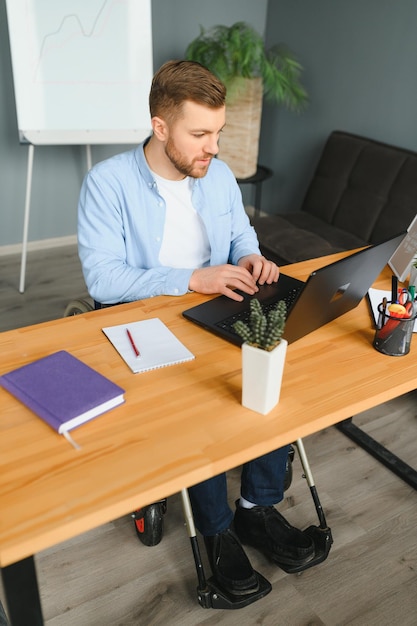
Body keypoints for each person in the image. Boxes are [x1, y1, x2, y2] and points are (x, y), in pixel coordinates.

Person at [78, 60, 314, 597]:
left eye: (218, 133)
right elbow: (104, 278)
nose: (213, 147)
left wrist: (254, 259)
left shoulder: (220, 175)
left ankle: (257, 507)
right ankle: (215, 530)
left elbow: (240, 236)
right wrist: (194, 278)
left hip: (214, 308)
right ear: (161, 127)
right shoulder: (108, 182)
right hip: (141, 321)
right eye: (200, 134)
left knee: (267, 373)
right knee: (200, 405)